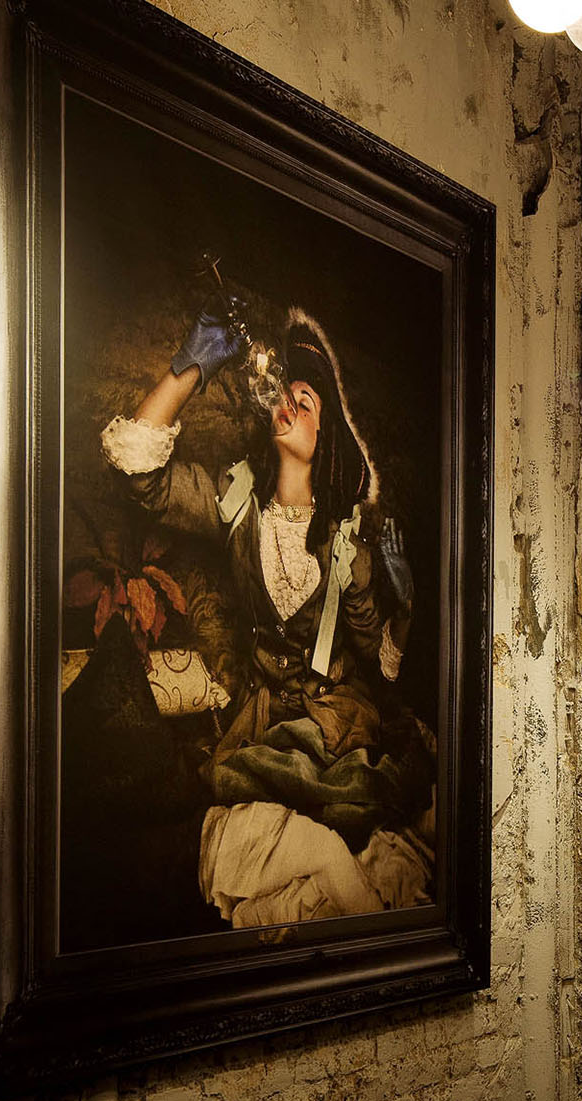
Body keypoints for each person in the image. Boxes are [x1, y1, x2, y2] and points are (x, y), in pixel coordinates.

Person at [99, 296, 435, 927]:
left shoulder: (346, 544)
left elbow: (378, 662)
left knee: (349, 834)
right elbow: (140, 479)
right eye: (285, 394)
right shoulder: (236, 502)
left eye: (304, 402)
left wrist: (406, 607)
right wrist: (188, 368)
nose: (286, 403)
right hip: (261, 724)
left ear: (325, 433)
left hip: (336, 726)